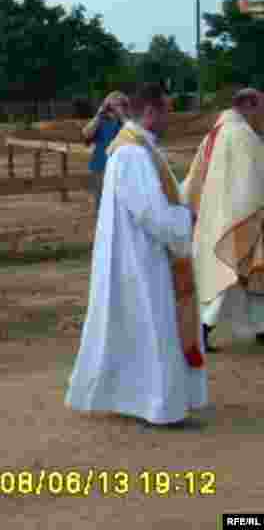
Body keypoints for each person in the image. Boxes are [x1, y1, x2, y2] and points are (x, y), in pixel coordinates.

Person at [66, 84, 207, 428]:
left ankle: (141, 399)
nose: (170, 119)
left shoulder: (138, 148)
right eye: (167, 111)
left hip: (140, 255)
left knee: (141, 329)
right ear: (150, 112)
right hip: (142, 260)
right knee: (151, 329)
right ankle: (158, 404)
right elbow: (150, 213)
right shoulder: (132, 153)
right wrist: (184, 219)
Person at [181, 88, 264, 352]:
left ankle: (261, 327)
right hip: (241, 218)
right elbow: (256, 179)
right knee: (231, 278)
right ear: (249, 104)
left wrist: (192, 210)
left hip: (215, 217)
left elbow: (194, 179)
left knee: (248, 277)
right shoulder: (243, 135)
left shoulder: (214, 135)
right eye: (260, 106)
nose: (262, 114)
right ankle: (203, 330)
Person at [81, 91, 130, 214]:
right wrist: (99, 115)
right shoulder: (101, 121)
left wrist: (121, 116)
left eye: (118, 104)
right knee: (101, 207)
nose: (113, 107)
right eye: (111, 104)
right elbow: (86, 133)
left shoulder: (126, 123)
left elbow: (133, 133)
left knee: (122, 207)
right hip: (100, 167)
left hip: (122, 169)